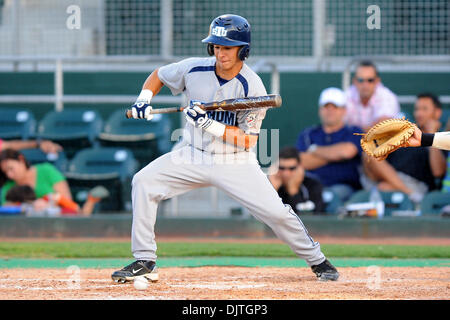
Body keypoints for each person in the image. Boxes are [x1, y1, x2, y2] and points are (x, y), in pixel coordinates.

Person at [111, 14, 339, 283]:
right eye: (217, 46)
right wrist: (143, 100)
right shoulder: (194, 68)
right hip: (192, 153)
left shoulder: (252, 86)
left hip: (234, 160)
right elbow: (159, 75)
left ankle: (318, 261)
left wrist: (209, 124)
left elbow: (247, 140)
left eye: (228, 47)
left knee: (276, 213)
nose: (221, 53)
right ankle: (145, 259)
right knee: (144, 181)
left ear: (243, 49)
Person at [362, 93, 447, 203]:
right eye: (417, 109)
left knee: (383, 188)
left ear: (437, 113)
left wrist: (431, 134)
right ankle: (410, 194)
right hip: (393, 179)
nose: (419, 113)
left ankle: (411, 195)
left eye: (424, 109)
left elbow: (438, 172)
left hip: (418, 185)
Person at [296, 87, 363, 203]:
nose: (330, 111)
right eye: (326, 107)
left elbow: (347, 152)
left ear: (344, 110)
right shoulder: (308, 134)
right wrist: (335, 155)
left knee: (330, 196)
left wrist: (314, 149)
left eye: (335, 107)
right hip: (310, 185)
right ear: (320, 110)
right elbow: (301, 161)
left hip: (344, 188)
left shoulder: (354, 131)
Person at [0, 148, 72, 205]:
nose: (9, 175)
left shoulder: (47, 170)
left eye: (11, 168)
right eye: (5, 172)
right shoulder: (7, 186)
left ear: (21, 159)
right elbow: (6, 209)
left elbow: (67, 200)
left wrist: (48, 204)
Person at [345, 60, 401, 132]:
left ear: (377, 81)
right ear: (354, 81)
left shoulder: (387, 96)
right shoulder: (348, 95)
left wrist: (354, 133)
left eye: (370, 80)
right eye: (361, 80)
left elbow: (382, 127)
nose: (365, 85)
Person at [268, 147, 325, 214]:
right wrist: (272, 190)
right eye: (282, 168)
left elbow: (313, 217)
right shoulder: (270, 184)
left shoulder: (312, 185)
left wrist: (293, 191)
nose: (286, 173)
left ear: (300, 168)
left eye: (291, 168)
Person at [4, 184, 109, 216]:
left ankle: (91, 199)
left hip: (60, 213)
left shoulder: (46, 198)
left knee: (81, 214)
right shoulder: (18, 208)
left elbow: (75, 209)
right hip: (54, 217)